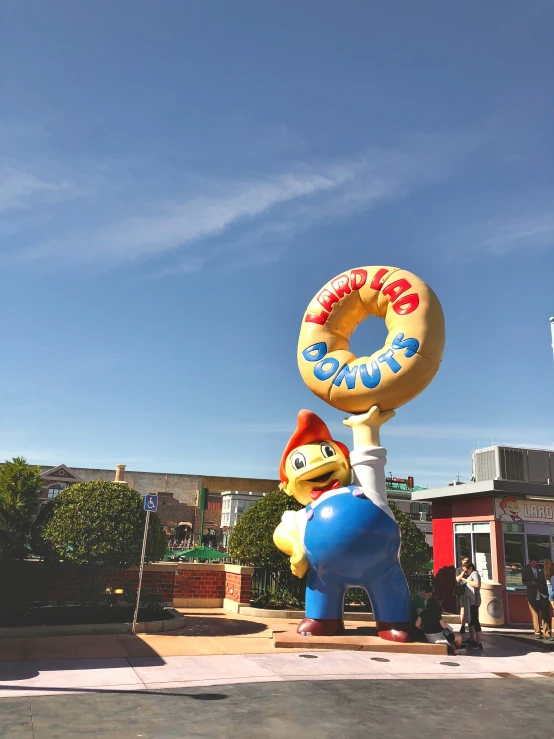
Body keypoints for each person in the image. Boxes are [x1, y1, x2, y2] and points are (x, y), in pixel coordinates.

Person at [415, 588, 463, 653]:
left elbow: (417, 624)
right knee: (459, 637)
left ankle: (453, 648)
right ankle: (457, 648)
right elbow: (444, 626)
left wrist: (422, 628)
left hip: (429, 637)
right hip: (439, 637)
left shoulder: (423, 613)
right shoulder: (437, 614)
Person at [522, 558, 552, 639]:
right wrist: (531, 583)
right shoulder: (525, 569)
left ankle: (547, 632)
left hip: (542, 593)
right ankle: (537, 632)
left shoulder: (540, 569)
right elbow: (523, 581)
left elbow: (543, 582)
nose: (535, 565)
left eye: (536, 563)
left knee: (545, 613)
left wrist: (546, 593)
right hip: (532, 594)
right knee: (535, 613)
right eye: (533, 563)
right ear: (530, 562)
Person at [462, 562, 483, 650]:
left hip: (474, 601)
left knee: (475, 620)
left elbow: (476, 584)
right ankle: (472, 639)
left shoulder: (474, 574)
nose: (466, 573)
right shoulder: (471, 574)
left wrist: (466, 580)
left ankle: (479, 642)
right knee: (470, 620)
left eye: (466, 571)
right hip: (470, 600)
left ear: (470, 568)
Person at [455, 556, 470, 634]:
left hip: (470, 591)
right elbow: (457, 579)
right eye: (465, 561)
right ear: (462, 562)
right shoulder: (459, 569)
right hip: (462, 591)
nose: (466, 563)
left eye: (467, 561)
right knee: (463, 608)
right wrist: (463, 573)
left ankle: (470, 625)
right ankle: (463, 626)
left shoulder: (471, 569)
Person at [544, 558, 554, 642]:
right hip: (552, 589)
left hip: (547, 591)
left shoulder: (544, 573)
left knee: (547, 612)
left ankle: (548, 631)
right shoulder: (552, 573)